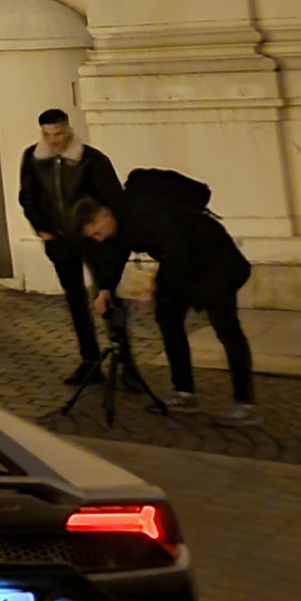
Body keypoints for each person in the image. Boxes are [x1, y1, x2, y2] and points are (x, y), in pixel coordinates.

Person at [78, 174, 257, 422]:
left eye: (98, 232)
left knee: (227, 330)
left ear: (105, 215)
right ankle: (184, 392)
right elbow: (116, 253)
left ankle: (244, 404)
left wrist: (155, 287)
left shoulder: (142, 210)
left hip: (215, 262)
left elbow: (178, 247)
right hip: (183, 265)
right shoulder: (118, 222)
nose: (100, 239)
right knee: (168, 318)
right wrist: (106, 289)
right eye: (94, 237)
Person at [17, 108, 126, 386]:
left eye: (59, 133)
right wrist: (41, 228)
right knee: (75, 301)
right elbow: (28, 196)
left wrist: (101, 231)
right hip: (59, 239)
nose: (53, 140)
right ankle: (89, 361)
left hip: (93, 238)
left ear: (69, 129)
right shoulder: (33, 158)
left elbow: (112, 198)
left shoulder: (92, 160)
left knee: (108, 296)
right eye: (47, 134)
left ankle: (125, 363)